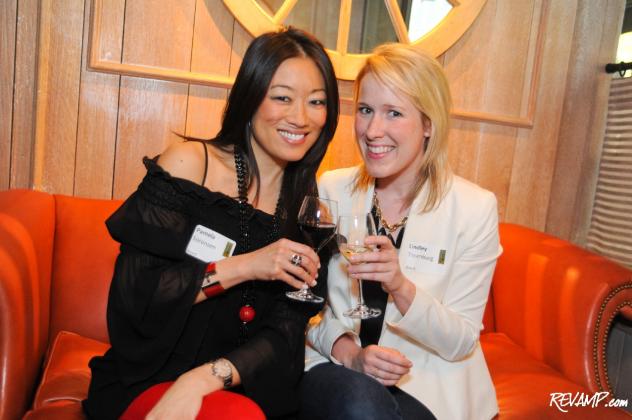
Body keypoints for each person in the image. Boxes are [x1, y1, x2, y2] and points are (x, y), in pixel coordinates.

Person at [83, 27, 339, 420]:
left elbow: (284, 334)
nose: (301, 117)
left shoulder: (305, 206)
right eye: (282, 97)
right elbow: (136, 299)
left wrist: (203, 379)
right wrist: (245, 266)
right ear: (250, 97)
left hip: (231, 385)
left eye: (316, 102)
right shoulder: (189, 166)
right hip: (150, 377)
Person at [300, 43, 501, 420]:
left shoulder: (474, 208)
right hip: (340, 368)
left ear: (428, 124)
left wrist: (401, 287)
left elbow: (460, 341)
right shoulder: (332, 190)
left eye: (393, 112)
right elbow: (306, 306)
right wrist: (349, 352)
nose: (373, 130)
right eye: (365, 110)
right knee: (360, 405)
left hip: (427, 383)